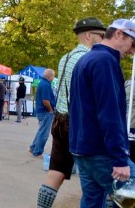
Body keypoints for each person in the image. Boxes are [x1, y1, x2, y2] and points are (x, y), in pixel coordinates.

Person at [69, 19, 135, 206]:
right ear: (119, 34)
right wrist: (119, 159)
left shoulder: (86, 59)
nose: (132, 51)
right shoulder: (105, 61)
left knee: (92, 202)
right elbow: (109, 113)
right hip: (102, 152)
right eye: (132, 44)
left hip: (83, 150)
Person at [36, 16, 105, 208]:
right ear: (90, 35)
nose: (103, 40)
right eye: (101, 35)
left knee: (56, 171)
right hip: (78, 122)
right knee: (92, 174)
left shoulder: (65, 58)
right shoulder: (89, 58)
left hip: (60, 119)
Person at [29, 68, 55, 157]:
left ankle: (32, 148)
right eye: (53, 76)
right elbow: (46, 100)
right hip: (45, 111)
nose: (53, 78)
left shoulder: (42, 83)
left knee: (41, 131)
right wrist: (51, 110)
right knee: (44, 134)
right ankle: (37, 152)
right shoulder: (46, 85)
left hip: (41, 110)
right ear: (50, 77)